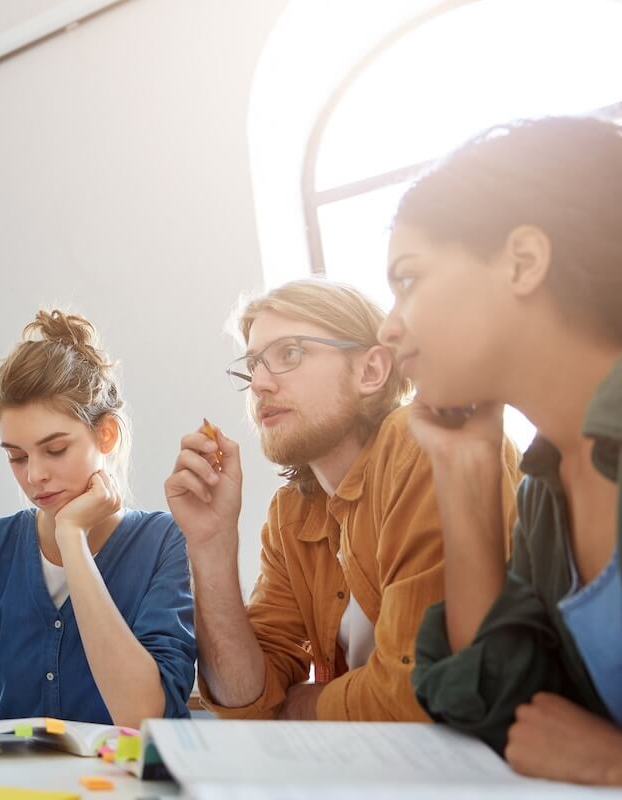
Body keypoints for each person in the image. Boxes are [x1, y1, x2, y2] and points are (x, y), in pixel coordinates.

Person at [379, 116, 622, 787]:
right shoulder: (547, 490)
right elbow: (504, 718)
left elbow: (578, 751)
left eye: (408, 279)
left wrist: (611, 762)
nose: (388, 324)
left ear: (522, 261)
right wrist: (465, 475)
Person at [166, 279, 519, 721]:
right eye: (253, 364)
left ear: (371, 371)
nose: (258, 384)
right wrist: (211, 545)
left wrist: (299, 705)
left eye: (289, 354)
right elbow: (245, 698)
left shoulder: (424, 443)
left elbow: (424, 692)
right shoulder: (291, 515)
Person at [0, 310, 195, 727]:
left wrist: (72, 537)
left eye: (54, 450)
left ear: (106, 434)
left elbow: (144, 715)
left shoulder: (163, 542)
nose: (34, 475)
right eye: (16, 456)